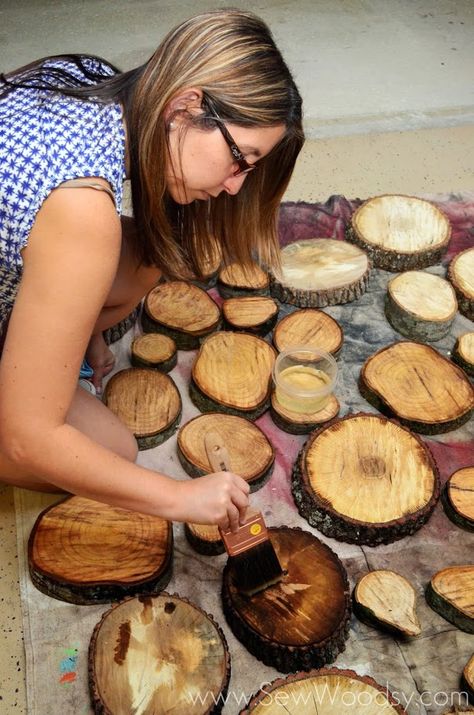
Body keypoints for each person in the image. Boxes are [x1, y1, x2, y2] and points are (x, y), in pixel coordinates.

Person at [0, 10, 304, 531]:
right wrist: (178, 498)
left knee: (148, 253)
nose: (235, 187)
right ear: (186, 106)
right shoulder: (79, 208)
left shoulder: (99, 85)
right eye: (240, 158)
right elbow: (27, 440)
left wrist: (74, 330)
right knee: (108, 449)